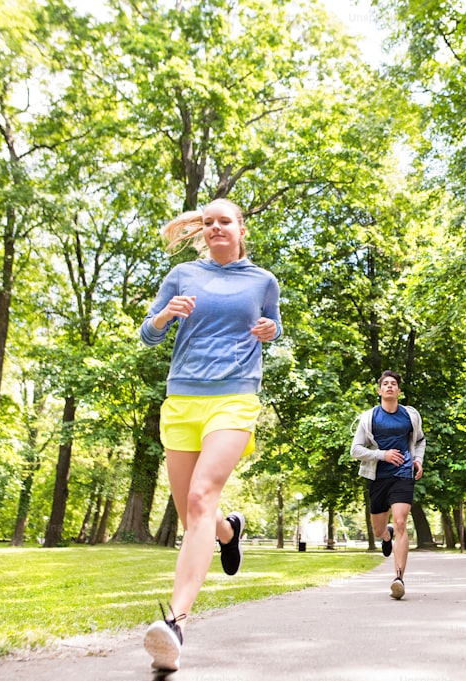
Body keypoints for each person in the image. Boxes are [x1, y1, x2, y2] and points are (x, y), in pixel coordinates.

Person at [138, 198, 282, 671]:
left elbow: (272, 325)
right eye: (209, 222)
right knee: (193, 516)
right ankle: (228, 531)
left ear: (241, 229)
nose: (216, 227)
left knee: (201, 497)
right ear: (203, 232)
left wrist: (269, 330)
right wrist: (165, 316)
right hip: (182, 400)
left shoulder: (263, 281)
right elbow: (149, 333)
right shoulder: (183, 276)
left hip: (235, 398)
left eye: (225, 221)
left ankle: (175, 625)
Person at [350, 370, 426, 600]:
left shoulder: (410, 416)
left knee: (401, 521)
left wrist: (418, 460)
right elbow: (355, 450)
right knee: (378, 529)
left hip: (403, 474)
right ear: (380, 391)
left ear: (399, 391)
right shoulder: (369, 418)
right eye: (386, 384)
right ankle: (386, 536)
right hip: (378, 477)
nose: (390, 386)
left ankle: (399, 578)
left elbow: (420, 440)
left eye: (394, 384)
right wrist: (382, 455)